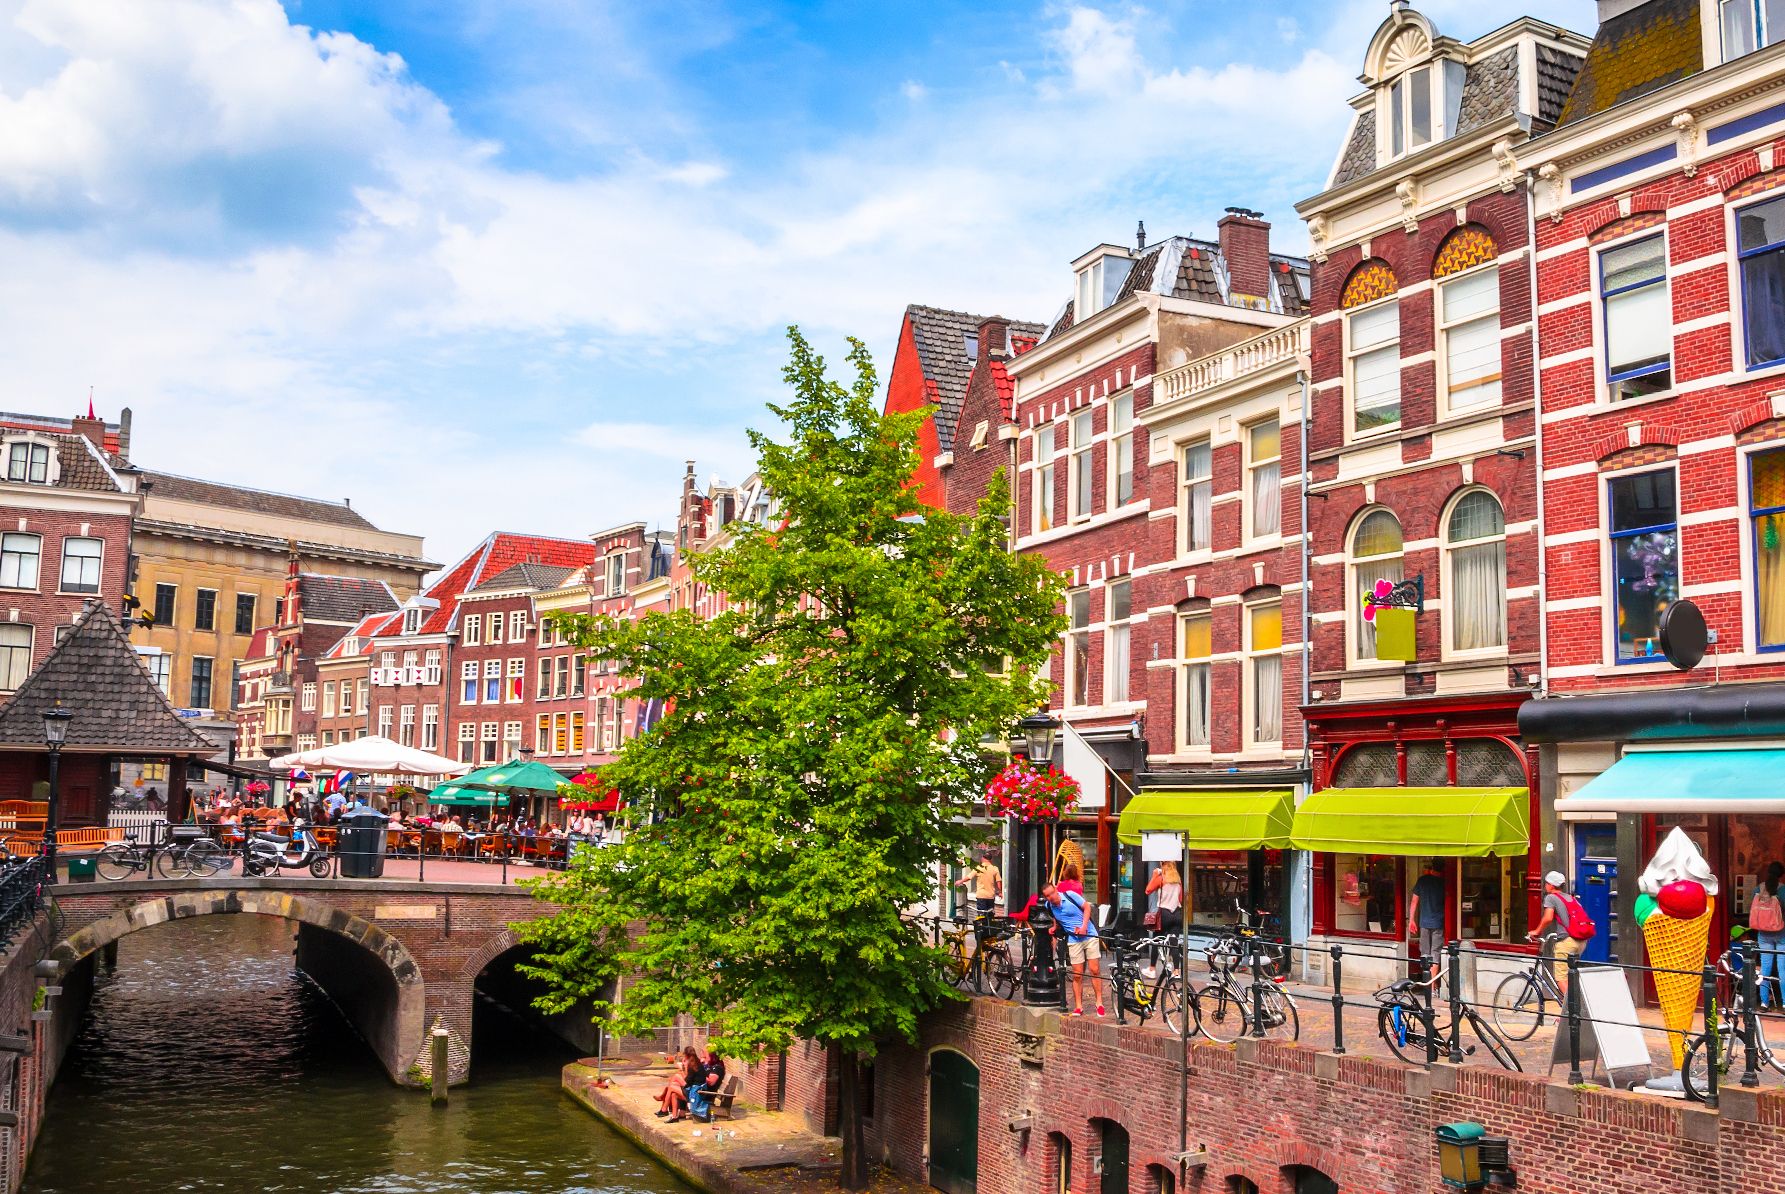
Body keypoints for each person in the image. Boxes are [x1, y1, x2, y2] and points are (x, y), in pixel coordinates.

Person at [1526, 870, 1591, 995]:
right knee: (1571, 975)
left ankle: (1572, 1011)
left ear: (1551, 885)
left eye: (1546, 883)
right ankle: (1569, 1010)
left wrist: (1537, 931)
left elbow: (1548, 917)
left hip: (1567, 942)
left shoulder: (1551, 897)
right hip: (1581, 941)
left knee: (1561, 978)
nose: (1545, 886)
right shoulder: (1570, 897)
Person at [1044, 881, 1102, 1017]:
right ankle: (1078, 1006)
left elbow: (1087, 907)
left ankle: (1099, 1003)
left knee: (1094, 970)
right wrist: (1055, 927)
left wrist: (1083, 927)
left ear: (1056, 890)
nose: (1051, 897)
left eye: (1052, 893)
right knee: (1077, 974)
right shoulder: (1049, 906)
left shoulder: (1070, 896)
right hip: (1073, 939)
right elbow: (1056, 917)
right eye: (1047, 896)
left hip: (1089, 935)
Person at [1751, 860, 1785, 1010]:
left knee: (1765, 969)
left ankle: (1764, 1002)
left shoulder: (1758, 889)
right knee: (1782, 969)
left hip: (1763, 933)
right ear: (1781, 875)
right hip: (1781, 932)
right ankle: (1784, 1002)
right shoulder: (1783, 890)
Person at [1409, 861, 1447, 965]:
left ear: (1432, 867)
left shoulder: (1422, 880)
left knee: (1425, 954)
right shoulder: (1444, 882)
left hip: (1424, 922)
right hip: (1438, 923)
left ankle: (1427, 979)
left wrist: (1411, 920)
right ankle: (1432, 981)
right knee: (1435, 953)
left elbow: (1414, 901)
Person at [955, 850, 1003, 919]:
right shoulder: (995, 869)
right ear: (991, 859)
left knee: (981, 915)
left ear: (983, 858)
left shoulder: (979, 868)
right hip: (991, 896)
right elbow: (998, 881)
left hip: (981, 895)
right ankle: (989, 928)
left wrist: (960, 881)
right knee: (990, 915)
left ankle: (982, 928)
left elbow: (969, 877)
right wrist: (1000, 892)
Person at [656, 1047, 699, 1117]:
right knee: (673, 1085)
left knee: (674, 1080)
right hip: (692, 1088)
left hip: (692, 1091)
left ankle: (664, 1108)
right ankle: (672, 1114)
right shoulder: (694, 1062)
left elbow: (687, 1079)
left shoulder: (692, 1064)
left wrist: (682, 1068)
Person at [687, 1048, 725, 1122]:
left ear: (712, 1056)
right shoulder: (709, 1066)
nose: (703, 1057)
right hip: (700, 1091)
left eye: (705, 1055)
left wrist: (700, 1074)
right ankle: (676, 1113)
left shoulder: (717, 1068)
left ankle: (672, 1112)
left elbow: (711, 1082)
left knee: (674, 1087)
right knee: (674, 1088)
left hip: (705, 1094)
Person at [1145, 862, 1183, 934]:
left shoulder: (1161, 879)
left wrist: (1155, 875)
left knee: (1158, 940)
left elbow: (1148, 890)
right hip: (1177, 914)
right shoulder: (1178, 880)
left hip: (1164, 914)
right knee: (1173, 942)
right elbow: (1180, 899)